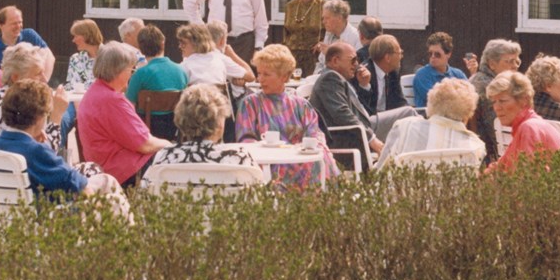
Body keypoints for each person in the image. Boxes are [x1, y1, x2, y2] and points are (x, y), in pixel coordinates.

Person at [0, 78, 127, 212]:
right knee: (113, 198)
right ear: (38, 118)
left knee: (107, 180)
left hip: (6, 214)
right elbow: (76, 184)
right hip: (47, 219)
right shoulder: (35, 151)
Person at [235, 44, 339, 190]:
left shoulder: (301, 105)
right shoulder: (250, 104)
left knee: (322, 157)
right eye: (259, 73)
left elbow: (315, 135)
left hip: (301, 162)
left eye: (266, 74)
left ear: (284, 76)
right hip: (266, 164)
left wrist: (309, 147)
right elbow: (245, 139)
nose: (260, 80)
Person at [77, 42, 173, 186]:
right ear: (118, 70)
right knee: (177, 161)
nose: (132, 74)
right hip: (122, 171)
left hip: (108, 166)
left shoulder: (95, 92)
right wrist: (170, 145)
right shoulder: (111, 100)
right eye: (131, 69)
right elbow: (144, 144)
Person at [309, 42, 417, 155]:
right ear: (335, 61)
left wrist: (364, 85)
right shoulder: (329, 78)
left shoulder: (340, 78)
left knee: (409, 117)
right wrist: (371, 138)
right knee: (409, 114)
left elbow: (360, 108)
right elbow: (342, 114)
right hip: (350, 135)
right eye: (353, 60)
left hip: (363, 126)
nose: (357, 65)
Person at [142, 84, 255, 187]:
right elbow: (258, 198)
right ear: (220, 123)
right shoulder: (239, 158)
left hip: (180, 209)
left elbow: (145, 193)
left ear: (181, 120)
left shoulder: (165, 157)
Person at [376, 78, 485, 169]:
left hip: (401, 193)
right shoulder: (475, 146)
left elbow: (380, 171)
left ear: (431, 103)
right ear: (468, 114)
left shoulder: (404, 127)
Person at [485, 71, 560, 174]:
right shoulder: (527, 125)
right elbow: (501, 166)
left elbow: (528, 179)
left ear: (524, 100)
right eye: (494, 102)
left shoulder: (529, 128)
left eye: (502, 101)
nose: (496, 108)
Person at [125, 25, 189, 140]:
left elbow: (129, 107)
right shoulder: (181, 71)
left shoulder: (139, 74)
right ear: (163, 43)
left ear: (140, 48)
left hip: (145, 131)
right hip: (173, 128)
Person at [469, 39, 522, 163]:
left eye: (517, 61)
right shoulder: (493, 90)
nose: (515, 66)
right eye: (509, 61)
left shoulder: (475, 79)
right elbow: (497, 131)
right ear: (492, 64)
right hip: (490, 158)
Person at [60, 19, 104, 150]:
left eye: (75, 36)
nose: (73, 40)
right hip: (75, 103)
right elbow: (72, 85)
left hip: (99, 104)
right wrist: (79, 108)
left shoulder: (108, 56)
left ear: (86, 35)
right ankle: (55, 160)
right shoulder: (76, 59)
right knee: (60, 120)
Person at [0, 5, 55, 80]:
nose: (18, 26)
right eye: (14, 23)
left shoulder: (30, 35)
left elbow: (50, 57)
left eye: (20, 22)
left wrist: (43, 81)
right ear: (1, 25)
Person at [176, 23, 253, 86]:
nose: (180, 46)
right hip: (218, 102)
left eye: (183, 43)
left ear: (196, 43)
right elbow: (251, 77)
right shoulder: (220, 59)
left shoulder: (184, 65)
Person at [282, 0, 325, 74]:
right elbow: (286, 33)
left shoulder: (322, 5)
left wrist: (322, 43)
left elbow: (329, 31)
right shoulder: (290, 6)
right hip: (292, 56)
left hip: (313, 56)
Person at [354, 34, 408, 115]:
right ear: (388, 58)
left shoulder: (393, 72)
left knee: (408, 112)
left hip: (387, 117)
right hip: (370, 119)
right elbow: (363, 106)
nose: (401, 56)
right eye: (400, 53)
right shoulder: (364, 73)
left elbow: (400, 101)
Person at [412, 32, 467, 109]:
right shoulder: (422, 75)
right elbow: (438, 101)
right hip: (429, 118)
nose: (433, 57)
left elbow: (469, 97)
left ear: (448, 54)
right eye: (430, 54)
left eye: (437, 54)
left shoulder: (458, 74)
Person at [313, 0, 362, 73]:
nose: (323, 22)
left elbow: (355, 67)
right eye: (323, 18)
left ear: (339, 18)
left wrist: (330, 54)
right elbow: (321, 62)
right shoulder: (329, 33)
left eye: (327, 18)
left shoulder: (355, 37)